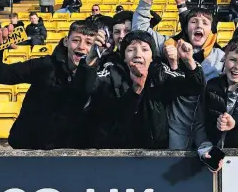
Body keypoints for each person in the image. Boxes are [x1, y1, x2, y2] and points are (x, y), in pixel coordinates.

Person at [74, 29, 205, 149]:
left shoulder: (160, 73)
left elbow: (194, 87)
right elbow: (84, 88)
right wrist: (90, 58)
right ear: (124, 58)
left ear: (152, 57)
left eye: (145, 49)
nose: (138, 54)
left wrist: (189, 61)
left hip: (154, 152)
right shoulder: (111, 71)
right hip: (114, 151)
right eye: (131, 50)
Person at [133, 0, 225, 150]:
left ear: (212, 31)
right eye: (193, 22)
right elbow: (141, 33)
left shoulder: (222, 58)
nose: (198, 26)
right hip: (176, 125)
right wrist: (146, 1)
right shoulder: (171, 46)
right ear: (186, 27)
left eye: (205, 23)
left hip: (208, 126)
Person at [0, 20, 99, 149]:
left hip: (69, 153)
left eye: (89, 43)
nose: (81, 46)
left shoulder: (101, 74)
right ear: (66, 42)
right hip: (28, 148)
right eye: (76, 40)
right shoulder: (45, 65)